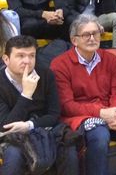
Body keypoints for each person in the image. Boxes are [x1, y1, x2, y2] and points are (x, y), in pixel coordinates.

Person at [51, 14, 116, 175]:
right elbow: (67, 106)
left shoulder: (110, 59)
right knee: (100, 134)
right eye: (86, 35)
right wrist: (101, 114)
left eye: (95, 33)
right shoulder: (59, 64)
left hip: (110, 112)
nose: (92, 38)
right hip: (79, 117)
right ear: (74, 40)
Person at [0, 35, 79, 175]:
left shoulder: (46, 74)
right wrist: (26, 94)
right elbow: (6, 126)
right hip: (11, 138)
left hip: (42, 130)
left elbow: (54, 115)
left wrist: (29, 125)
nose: (27, 61)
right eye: (20, 56)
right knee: (14, 155)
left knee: (68, 146)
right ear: (6, 59)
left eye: (32, 55)